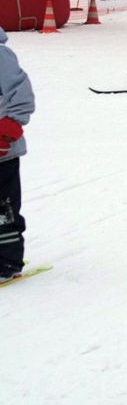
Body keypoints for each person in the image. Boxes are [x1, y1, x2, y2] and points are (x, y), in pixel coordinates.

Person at [0, 28, 35, 284]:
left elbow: (22, 95)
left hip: (3, 148)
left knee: (4, 208)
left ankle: (7, 262)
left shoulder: (1, 56)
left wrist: (7, 132)